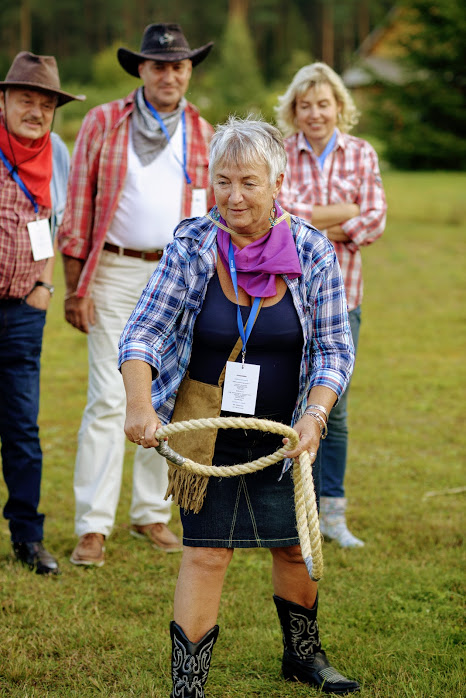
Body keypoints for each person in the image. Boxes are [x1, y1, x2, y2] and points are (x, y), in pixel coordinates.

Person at [119, 117, 359, 696]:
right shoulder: (193, 245)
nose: (234, 196)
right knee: (207, 554)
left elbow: (334, 349)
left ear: (277, 183)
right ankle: (188, 684)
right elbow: (143, 332)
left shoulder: (312, 250)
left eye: (249, 182)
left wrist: (314, 417)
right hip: (207, 435)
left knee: (294, 550)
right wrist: (139, 405)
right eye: (223, 181)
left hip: (286, 433)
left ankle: (303, 656)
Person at [58, 23, 214, 568]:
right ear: (142, 70)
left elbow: (215, 214)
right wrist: (75, 286)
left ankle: (151, 513)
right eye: (159, 66)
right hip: (114, 271)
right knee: (109, 397)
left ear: (189, 71)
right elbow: (78, 204)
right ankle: (92, 525)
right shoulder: (103, 121)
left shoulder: (203, 131)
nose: (170, 75)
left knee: (166, 395)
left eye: (179, 66)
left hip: (177, 278)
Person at [277, 62, 387, 548]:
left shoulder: (361, 153)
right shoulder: (280, 152)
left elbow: (376, 217)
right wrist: (344, 213)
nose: (315, 113)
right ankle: (288, 509)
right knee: (284, 400)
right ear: (293, 110)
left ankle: (332, 514)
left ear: (339, 106)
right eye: (305, 105)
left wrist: (311, 221)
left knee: (331, 407)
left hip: (345, 298)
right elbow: (279, 215)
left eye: (323, 104)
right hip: (287, 297)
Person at [0, 52, 84, 574]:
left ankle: (28, 538)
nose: (36, 111)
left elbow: (53, 222)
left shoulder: (56, 152)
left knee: (22, 430)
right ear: (4, 100)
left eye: (46, 104)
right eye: (26, 99)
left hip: (25, 310)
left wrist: (45, 285)